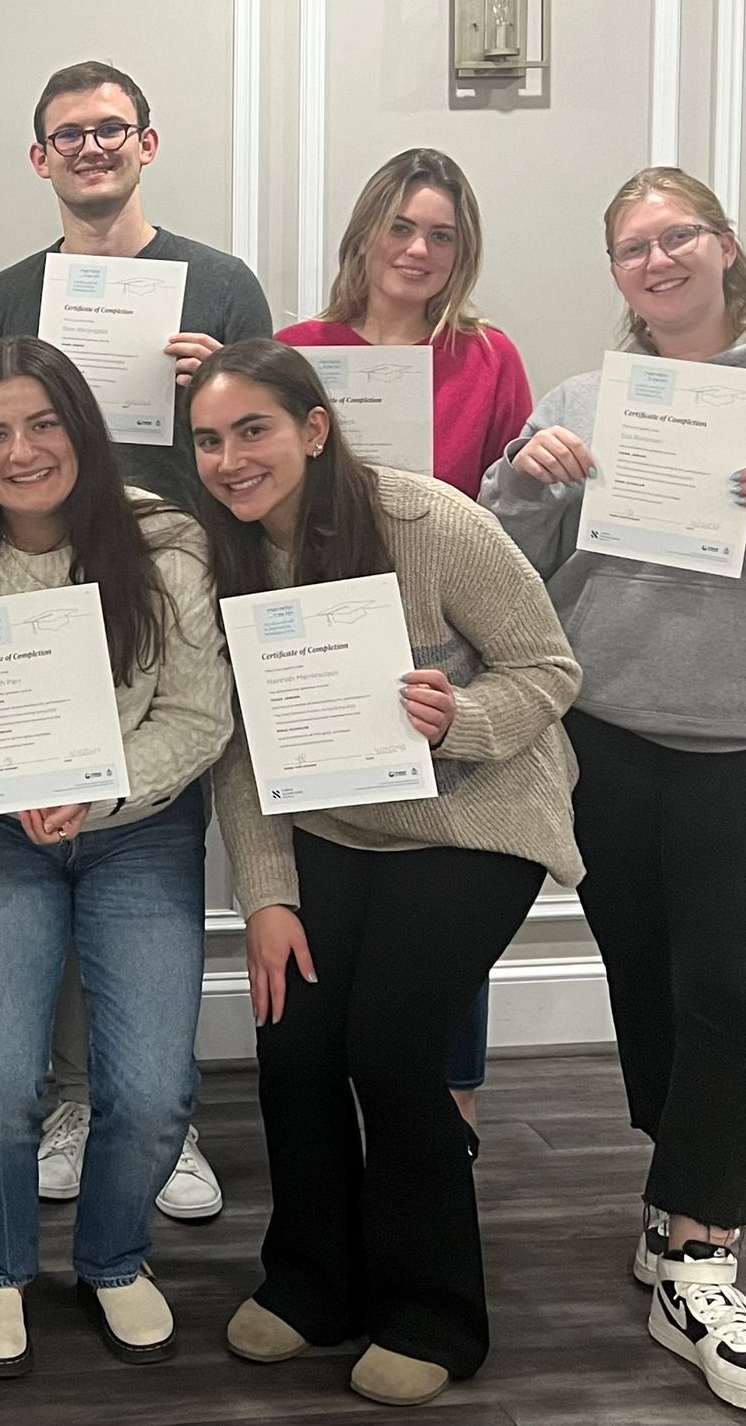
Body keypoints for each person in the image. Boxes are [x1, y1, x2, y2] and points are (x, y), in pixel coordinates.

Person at [480, 166, 746, 1414]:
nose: (658, 260)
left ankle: (701, 1251)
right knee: (655, 985)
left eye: (678, 237)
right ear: (616, 273)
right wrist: (528, 479)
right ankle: (677, 1205)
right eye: (633, 247)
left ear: (724, 246)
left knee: (737, 992)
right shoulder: (580, 399)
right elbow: (512, 570)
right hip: (609, 733)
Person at [189, 339, 580, 1408]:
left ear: (314, 427)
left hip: (475, 812)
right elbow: (237, 744)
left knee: (395, 1047)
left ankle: (435, 1311)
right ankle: (316, 1285)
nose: (231, 459)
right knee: (294, 1040)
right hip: (332, 825)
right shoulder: (218, 558)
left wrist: (460, 718)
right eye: (210, 439)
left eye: (255, 429)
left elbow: (549, 667)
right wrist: (266, 893)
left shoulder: (430, 520)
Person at [0, 337, 234, 1377]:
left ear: (80, 426)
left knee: (155, 1086)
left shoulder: (165, 541)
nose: (22, 449)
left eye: (44, 423)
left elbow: (199, 715)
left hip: (140, 831)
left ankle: (115, 1256)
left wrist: (97, 788)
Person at [0, 59, 273, 1220]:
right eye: (68, 135)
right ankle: (69, 1098)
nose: (91, 148)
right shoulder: (7, 291)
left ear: (149, 142)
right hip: (42, 602)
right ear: (39, 158)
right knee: (46, 840)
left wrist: (213, 381)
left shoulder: (221, 281)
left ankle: (166, 1111)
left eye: (111, 130)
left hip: (176, 600)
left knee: (156, 848)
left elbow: (261, 444)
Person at [278, 146, 534, 1136]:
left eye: (442, 233)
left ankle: (447, 1103)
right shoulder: (299, 347)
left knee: (444, 878)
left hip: (441, 647)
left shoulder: (490, 356)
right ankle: (340, 1089)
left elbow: (507, 511)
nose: (419, 248)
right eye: (402, 225)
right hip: (319, 640)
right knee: (332, 874)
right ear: (365, 233)